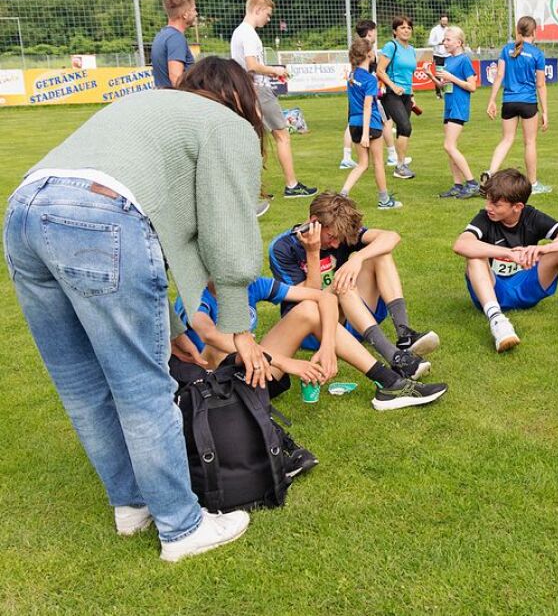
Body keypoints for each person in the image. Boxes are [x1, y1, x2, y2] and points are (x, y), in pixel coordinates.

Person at [4, 57, 266, 561]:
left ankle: (132, 505)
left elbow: (157, 226)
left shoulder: (146, 104)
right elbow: (226, 231)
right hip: (99, 212)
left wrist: (168, 324)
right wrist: (239, 328)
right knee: (144, 390)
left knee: (82, 385)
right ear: (240, 99)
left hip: (24, 209)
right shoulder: (227, 125)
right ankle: (182, 528)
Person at [175, 277, 447, 414]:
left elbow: (324, 299)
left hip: (256, 373)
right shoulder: (195, 294)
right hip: (217, 391)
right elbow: (209, 334)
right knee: (219, 348)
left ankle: (388, 383)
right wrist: (285, 362)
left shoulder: (249, 282)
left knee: (308, 309)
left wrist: (327, 346)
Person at [268, 191, 439, 381]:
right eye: (331, 236)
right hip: (314, 327)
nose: (335, 244)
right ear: (314, 221)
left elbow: (391, 237)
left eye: (338, 239)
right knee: (343, 285)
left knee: (379, 254)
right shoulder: (282, 247)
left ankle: (405, 335)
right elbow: (310, 297)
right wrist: (313, 252)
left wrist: (358, 258)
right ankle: (394, 357)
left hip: (352, 316)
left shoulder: (340, 232)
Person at [453, 168, 558, 352]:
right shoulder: (485, 218)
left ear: (518, 207)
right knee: (474, 257)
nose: (489, 207)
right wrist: (509, 253)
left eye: (496, 204)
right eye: (488, 200)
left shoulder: (532, 217)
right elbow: (461, 244)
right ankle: (498, 322)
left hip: (526, 288)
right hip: (492, 290)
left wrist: (544, 248)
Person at [231, 0, 317, 199]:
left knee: (254, 139)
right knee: (282, 135)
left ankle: (252, 189)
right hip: (258, 89)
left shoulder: (239, 32)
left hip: (246, 89)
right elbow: (252, 65)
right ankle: (291, 185)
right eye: (267, 15)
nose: (268, 19)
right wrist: (275, 70)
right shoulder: (249, 34)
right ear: (257, 9)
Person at [484, 16, 552, 194]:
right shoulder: (537, 54)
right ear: (534, 32)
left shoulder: (507, 50)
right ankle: (533, 184)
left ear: (518, 31)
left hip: (509, 101)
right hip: (528, 102)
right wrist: (545, 111)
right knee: (529, 143)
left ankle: (490, 173)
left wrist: (491, 100)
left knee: (506, 140)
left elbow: (498, 76)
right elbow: (540, 84)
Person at [341, 38, 401, 210]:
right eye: (374, 51)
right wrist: (367, 133)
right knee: (378, 163)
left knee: (362, 164)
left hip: (354, 123)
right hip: (371, 124)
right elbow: (367, 106)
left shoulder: (352, 76)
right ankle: (384, 200)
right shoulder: (369, 79)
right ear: (368, 54)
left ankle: (342, 195)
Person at [340, 20, 396, 170]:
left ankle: (346, 156)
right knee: (385, 121)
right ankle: (392, 155)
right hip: (368, 92)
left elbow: (353, 72)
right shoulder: (366, 48)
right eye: (375, 30)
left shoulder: (358, 46)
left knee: (353, 121)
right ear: (370, 31)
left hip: (360, 91)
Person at [435, 26, 479, 199]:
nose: (445, 42)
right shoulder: (448, 60)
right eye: (444, 40)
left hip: (459, 106)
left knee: (449, 146)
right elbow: (445, 85)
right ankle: (457, 185)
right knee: (449, 148)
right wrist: (435, 79)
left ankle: (472, 183)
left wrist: (451, 77)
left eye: (448, 40)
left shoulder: (464, 60)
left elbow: (472, 86)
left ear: (458, 42)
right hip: (449, 105)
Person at [377, 15, 419, 180]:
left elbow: (410, 75)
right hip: (391, 94)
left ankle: (400, 164)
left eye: (409, 27)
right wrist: (393, 86)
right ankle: (400, 165)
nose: (406, 30)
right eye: (402, 27)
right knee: (406, 126)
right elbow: (380, 70)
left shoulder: (412, 50)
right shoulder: (391, 46)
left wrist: (412, 94)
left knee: (403, 129)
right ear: (395, 31)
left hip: (406, 94)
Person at [151, 0, 196, 88]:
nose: (196, 13)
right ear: (185, 14)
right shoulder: (176, 38)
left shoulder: (161, 35)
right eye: (193, 10)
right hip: (176, 101)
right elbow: (176, 78)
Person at [427, 13, 450, 99]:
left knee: (448, 73)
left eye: (446, 21)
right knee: (439, 74)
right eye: (443, 21)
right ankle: (438, 93)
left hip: (448, 55)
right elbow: (430, 42)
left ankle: (448, 91)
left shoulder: (448, 30)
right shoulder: (435, 30)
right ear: (440, 20)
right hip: (438, 55)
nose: (444, 22)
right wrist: (439, 42)